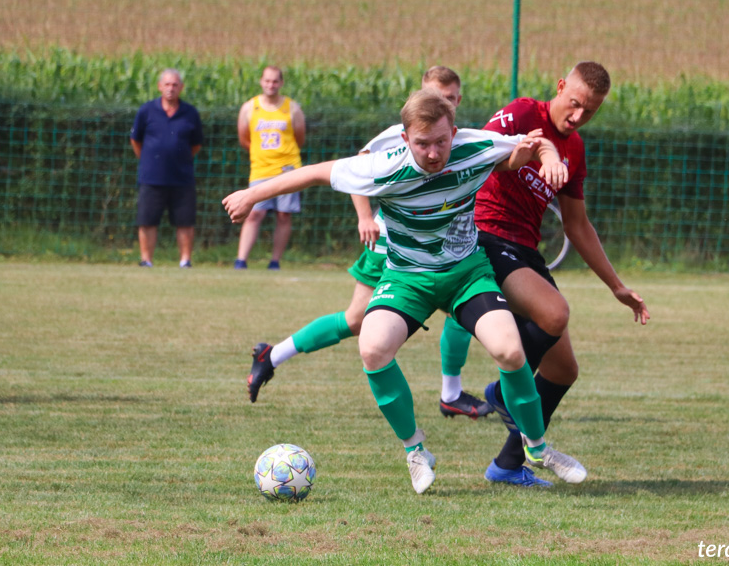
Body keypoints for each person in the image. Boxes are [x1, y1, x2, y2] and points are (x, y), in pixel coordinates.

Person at [224, 88, 576, 494]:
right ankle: (416, 450)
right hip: (408, 276)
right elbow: (315, 172)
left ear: (454, 133)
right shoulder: (383, 166)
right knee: (371, 347)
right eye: (422, 144)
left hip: (465, 272)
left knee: (510, 350)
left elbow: (531, 144)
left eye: (441, 142)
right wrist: (252, 194)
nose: (432, 153)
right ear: (405, 139)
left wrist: (548, 158)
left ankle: (536, 449)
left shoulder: (474, 145)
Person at [245, 66, 491, 419]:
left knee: (464, 304)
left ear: (458, 100)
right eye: (436, 97)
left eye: (450, 99)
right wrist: (364, 217)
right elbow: (354, 171)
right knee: (356, 321)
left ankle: (451, 391)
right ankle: (272, 355)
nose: (443, 104)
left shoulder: (458, 139)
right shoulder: (397, 135)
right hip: (390, 244)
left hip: (443, 251)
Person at [471, 61, 651, 487]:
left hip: (526, 249)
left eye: (590, 111)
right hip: (487, 235)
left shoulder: (575, 149)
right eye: (574, 105)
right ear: (559, 88)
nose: (578, 117)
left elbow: (578, 225)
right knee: (555, 313)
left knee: (562, 370)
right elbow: (476, 153)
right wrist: (519, 154)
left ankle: (507, 465)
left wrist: (617, 286)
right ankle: (504, 392)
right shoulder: (522, 113)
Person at [233, 66, 306, 270]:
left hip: (287, 169)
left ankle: (275, 261)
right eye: (267, 81)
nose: (270, 85)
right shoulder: (250, 107)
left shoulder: (292, 108)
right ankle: (241, 260)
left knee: (284, 214)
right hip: (260, 169)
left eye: (275, 81)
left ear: (281, 83)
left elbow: (299, 137)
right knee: (254, 213)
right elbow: (244, 138)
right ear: (261, 81)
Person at [130, 69, 203, 268]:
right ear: (159, 86)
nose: (171, 88)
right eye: (167, 84)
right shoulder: (147, 111)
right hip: (151, 177)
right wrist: (149, 159)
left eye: (175, 85)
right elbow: (136, 141)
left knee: (185, 221)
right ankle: (147, 260)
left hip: (182, 177)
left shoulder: (190, 113)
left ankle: (185, 261)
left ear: (181, 87)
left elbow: (196, 145)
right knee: (147, 220)